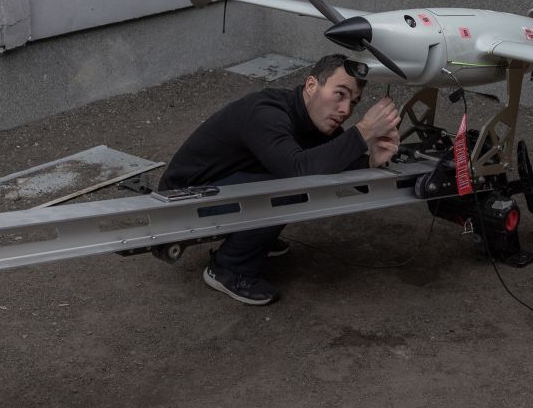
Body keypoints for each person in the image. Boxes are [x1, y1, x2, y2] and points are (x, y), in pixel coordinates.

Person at [158, 54, 401, 305]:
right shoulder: (267, 113)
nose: (346, 110)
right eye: (340, 94)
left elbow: (336, 166)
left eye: (354, 101)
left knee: (305, 173)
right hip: (179, 201)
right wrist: (364, 131)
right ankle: (229, 267)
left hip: (219, 187)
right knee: (292, 187)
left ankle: (254, 238)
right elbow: (299, 171)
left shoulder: (314, 120)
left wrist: (371, 160)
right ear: (311, 86)